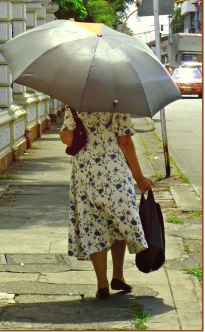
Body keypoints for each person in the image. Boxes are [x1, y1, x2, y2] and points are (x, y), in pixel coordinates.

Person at [60, 105, 155, 299]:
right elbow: (125, 142)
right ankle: (118, 275)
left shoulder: (76, 104)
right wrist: (139, 178)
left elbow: (66, 138)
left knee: (93, 224)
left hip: (85, 170)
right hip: (114, 169)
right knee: (118, 221)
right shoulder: (118, 104)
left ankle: (102, 283)